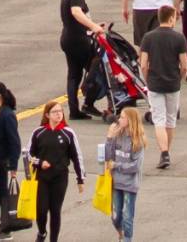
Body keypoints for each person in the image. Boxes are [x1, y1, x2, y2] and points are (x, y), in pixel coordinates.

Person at [26, 101, 85, 242]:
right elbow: (27, 154)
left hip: (60, 177)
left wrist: (80, 179)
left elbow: (77, 156)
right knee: (41, 210)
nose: (59, 114)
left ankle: (54, 239)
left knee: (55, 210)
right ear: (47, 115)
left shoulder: (68, 133)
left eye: (60, 111)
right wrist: (39, 162)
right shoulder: (38, 132)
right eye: (55, 112)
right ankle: (41, 232)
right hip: (42, 177)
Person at [140, 4, 187, 171]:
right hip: (173, 83)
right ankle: (167, 151)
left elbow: (143, 64)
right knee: (170, 119)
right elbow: (184, 65)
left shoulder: (148, 37)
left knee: (158, 119)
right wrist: (180, 78)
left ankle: (164, 152)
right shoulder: (179, 38)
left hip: (155, 82)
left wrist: (147, 79)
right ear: (171, 18)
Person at [98, 105, 146, 242]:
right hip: (115, 182)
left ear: (131, 120)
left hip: (130, 184)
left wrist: (117, 165)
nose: (119, 119)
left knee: (127, 216)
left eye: (123, 117)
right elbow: (108, 157)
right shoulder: (117, 135)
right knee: (115, 216)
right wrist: (109, 137)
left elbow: (135, 166)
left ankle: (128, 238)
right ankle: (121, 233)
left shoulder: (138, 140)